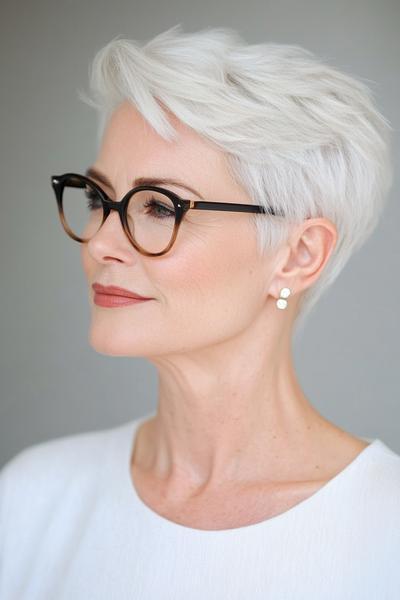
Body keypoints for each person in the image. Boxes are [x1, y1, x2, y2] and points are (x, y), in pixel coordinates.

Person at [1, 24, 399, 599]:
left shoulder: (385, 529)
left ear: (298, 254)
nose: (100, 243)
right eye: (97, 199)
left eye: (159, 206)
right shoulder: (34, 499)